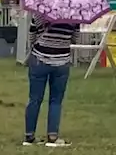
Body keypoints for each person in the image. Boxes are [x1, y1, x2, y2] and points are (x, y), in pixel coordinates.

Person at [23, 17, 79, 147]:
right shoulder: (74, 17)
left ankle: (29, 136)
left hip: (39, 59)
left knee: (34, 99)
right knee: (56, 100)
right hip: (62, 61)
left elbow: (31, 35)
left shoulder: (40, 13)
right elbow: (75, 39)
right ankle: (52, 136)